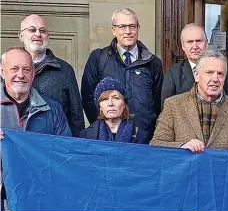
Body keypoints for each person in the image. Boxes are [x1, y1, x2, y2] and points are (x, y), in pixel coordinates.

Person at [0, 47, 71, 211]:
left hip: (39, 206)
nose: (20, 75)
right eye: (14, 69)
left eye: (26, 69)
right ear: (2, 71)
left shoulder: (52, 109)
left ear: (33, 74)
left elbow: (64, 154)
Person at [81, 8, 163, 140]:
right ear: (114, 30)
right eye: (122, 27)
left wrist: (148, 129)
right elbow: (88, 98)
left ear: (138, 28)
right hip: (107, 138)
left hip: (144, 139)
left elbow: (158, 102)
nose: (128, 31)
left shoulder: (153, 63)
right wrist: (104, 127)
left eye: (132, 26)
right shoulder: (98, 58)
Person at [150, 49, 228, 152]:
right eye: (209, 72)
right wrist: (182, 146)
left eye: (220, 74)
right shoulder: (173, 105)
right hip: (187, 169)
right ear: (196, 75)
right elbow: (156, 144)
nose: (215, 79)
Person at [18, 14, 84, 136]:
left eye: (42, 31)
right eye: (32, 30)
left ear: (48, 36)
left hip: (53, 145)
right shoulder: (7, 68)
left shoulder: (65, 69)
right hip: (17, 144)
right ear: (21, 36)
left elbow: (76, 116)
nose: (38, 34)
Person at [161, 23, 228, 107]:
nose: (195, 46)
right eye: (190, 42)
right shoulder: (173, 72)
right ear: (183, 45)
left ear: (206, 43)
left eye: (198, 41)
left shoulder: (221, 70)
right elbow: (166, 107)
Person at [79, 77, 151, 144]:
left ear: (124, 105)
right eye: (105, 99)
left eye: (116, 98)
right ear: (100, 107)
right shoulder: (86, 136)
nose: (110, 103)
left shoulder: (141, 136)